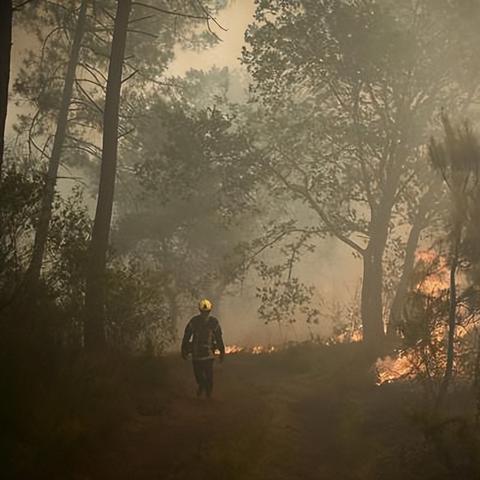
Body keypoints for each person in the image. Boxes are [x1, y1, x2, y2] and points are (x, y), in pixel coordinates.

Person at [181, 299, 225, 398]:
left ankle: (208, 394)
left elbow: (219, 338)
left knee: (209, 375)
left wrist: (222, 351)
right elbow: (187, 336)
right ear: (200, 311)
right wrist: (184, 350)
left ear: (209, 311)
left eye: (206, 312)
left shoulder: (214, 323)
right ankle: (202, 385)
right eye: (203, 312)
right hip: (196, 355)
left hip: (209, 355)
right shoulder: (194, 321)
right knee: (198, 375)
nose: (205, 314)